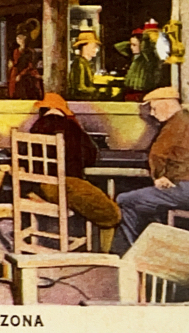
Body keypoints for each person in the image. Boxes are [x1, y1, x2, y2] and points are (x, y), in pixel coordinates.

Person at [29, 93, 121, 252]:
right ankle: (105, 253)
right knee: (111, 214)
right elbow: (91, 156)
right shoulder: (70, 127)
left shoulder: (36, 127)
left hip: (41, 187)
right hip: (66, 185)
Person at [114, 87, 189, 252]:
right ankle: (153, 247)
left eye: (154, 108)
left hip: (185, 188)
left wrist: (160, 176)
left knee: (125, 200)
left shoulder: (175, 124)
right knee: (148, 202)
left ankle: (131, 253)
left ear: (166, 105)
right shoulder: (185, 119)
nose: (153, 114)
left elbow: (157, 154)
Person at [115, 26, 162, 101]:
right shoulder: (134, 58)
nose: (131, 47)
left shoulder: (147, 59)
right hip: (130, 93)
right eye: (130, 45)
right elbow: (119, 47)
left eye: (134, 45)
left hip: (142, 95)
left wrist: (144, 38)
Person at [8, 19, 43, 101]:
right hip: (15, 74)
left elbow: (30, 66)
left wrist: (21, 75)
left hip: (26, 75)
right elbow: (12, 61)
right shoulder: (15, 51)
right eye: (18, 38)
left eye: (22, 37)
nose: (19, 39)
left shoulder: (30, 52)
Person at [68, 31, 100, 101]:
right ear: (85, 47)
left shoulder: (86, 63)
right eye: (94, 46)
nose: (96, 50)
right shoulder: (79, 63)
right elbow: (80, 87)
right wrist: (98, 91)